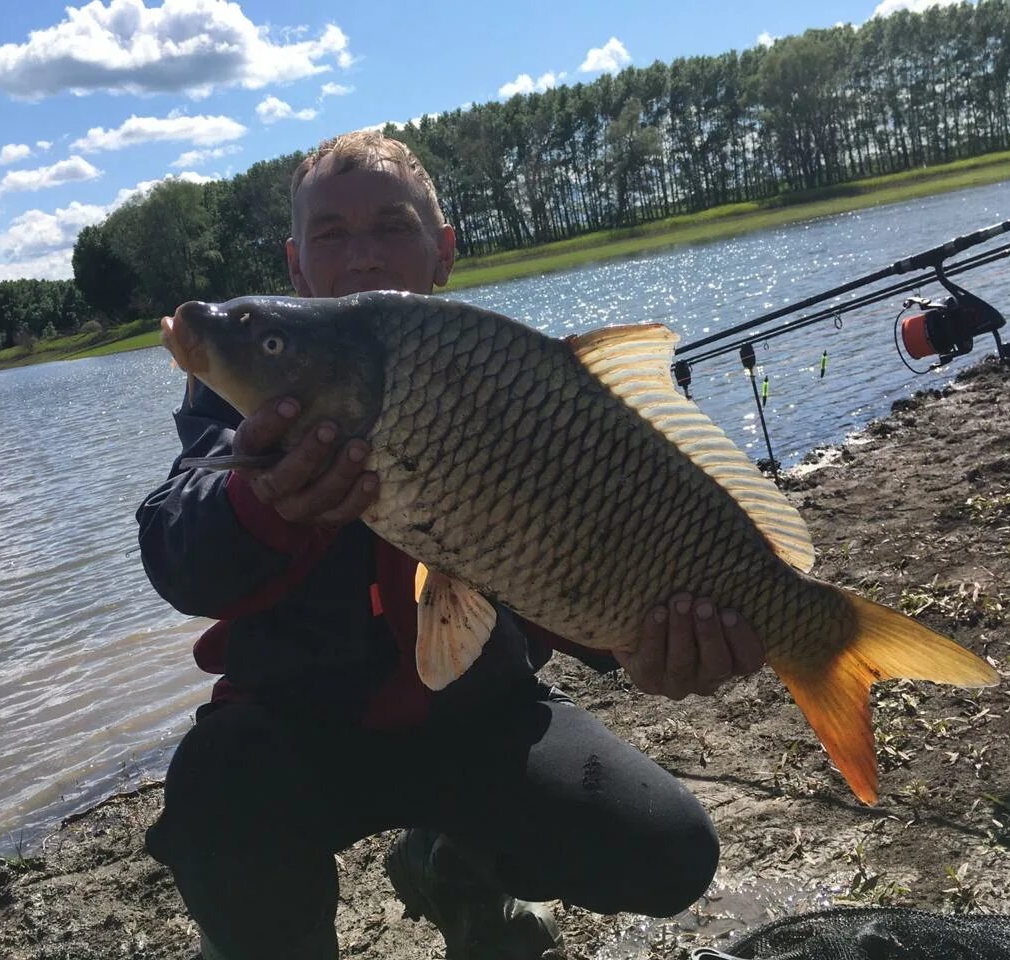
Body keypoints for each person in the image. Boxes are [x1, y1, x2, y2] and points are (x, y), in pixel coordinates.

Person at [136, 131, 765, 960]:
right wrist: (262, 501)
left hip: (476, 714)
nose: (361, 258)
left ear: (443, 251)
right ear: (297, 268)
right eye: (330, 235)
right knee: (215, 789)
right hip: (296, 732)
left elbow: (585, 556)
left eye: (391, 227)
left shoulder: (506, 382)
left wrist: (646, 653)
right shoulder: (248, 406)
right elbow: (176, 545)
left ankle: (453, 870)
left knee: (670, 850)